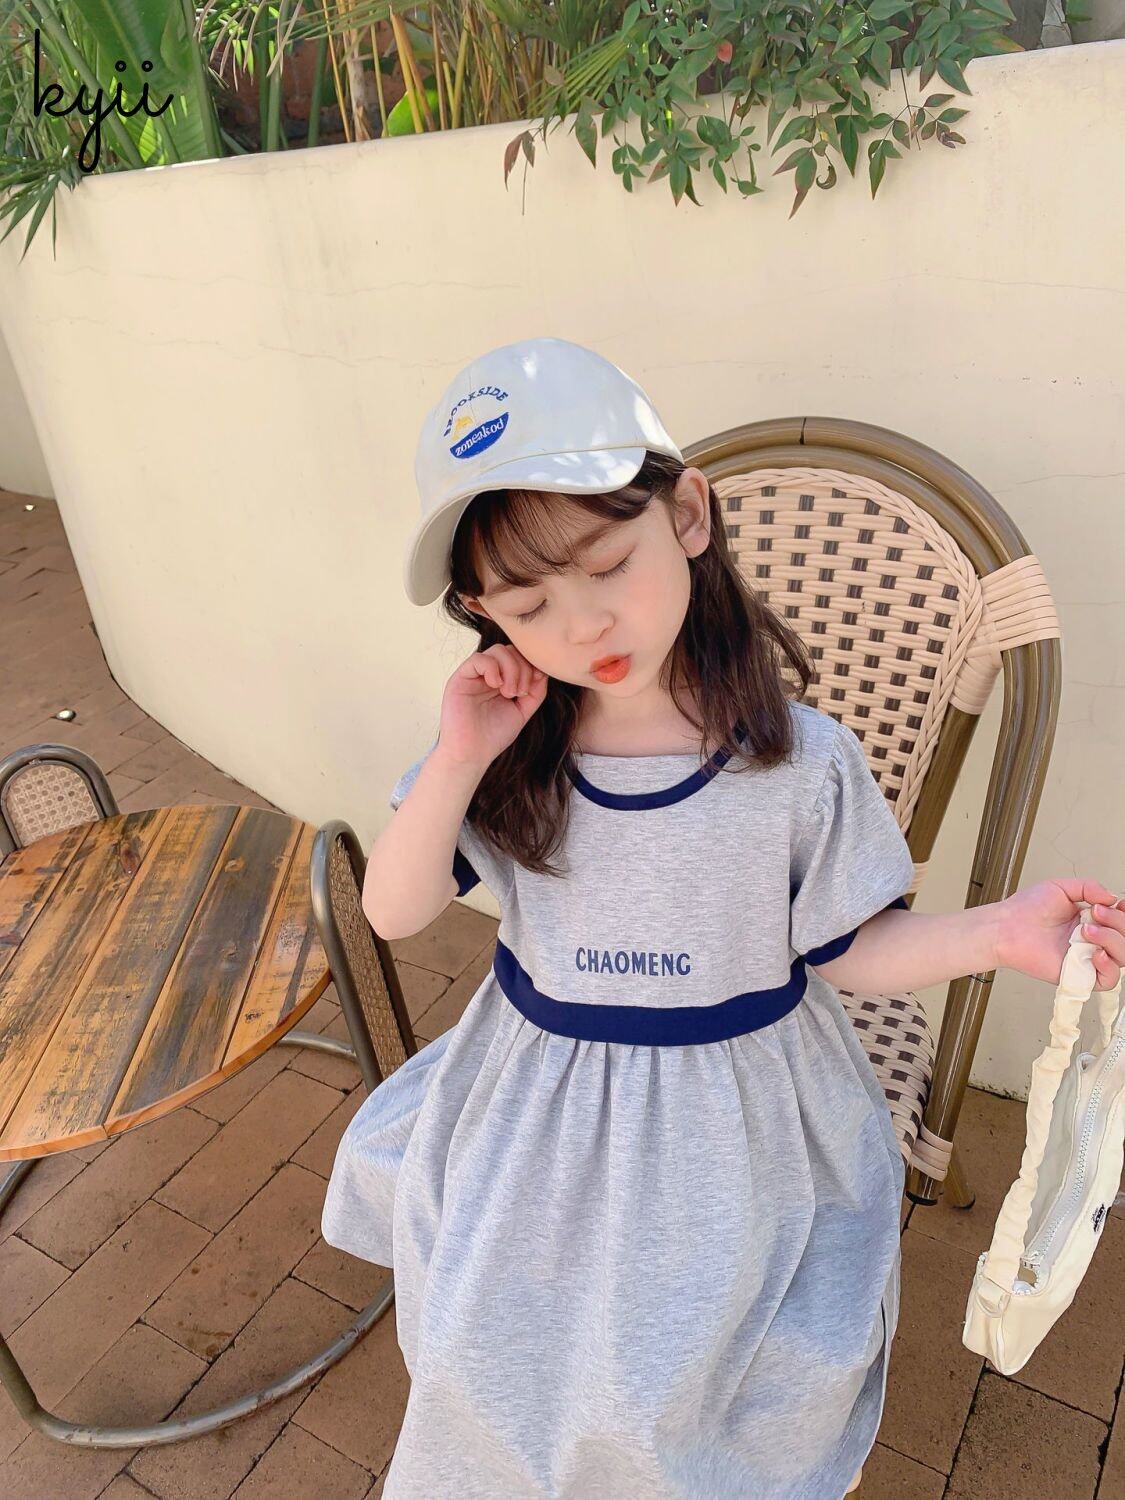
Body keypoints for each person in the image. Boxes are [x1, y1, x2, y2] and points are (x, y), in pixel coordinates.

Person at [321, 337, 1123, 1499]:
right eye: (530, 604)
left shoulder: (798, 765)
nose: (584, 624)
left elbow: (849, 947)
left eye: (608, 564)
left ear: (688, 514)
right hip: (542, 1113)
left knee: (689, 1385)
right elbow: (394, 913)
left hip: (736, 1121)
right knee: (502, 1360)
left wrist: (999, 931)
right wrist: (455, 758)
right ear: (480, 612)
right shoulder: (507, 752)